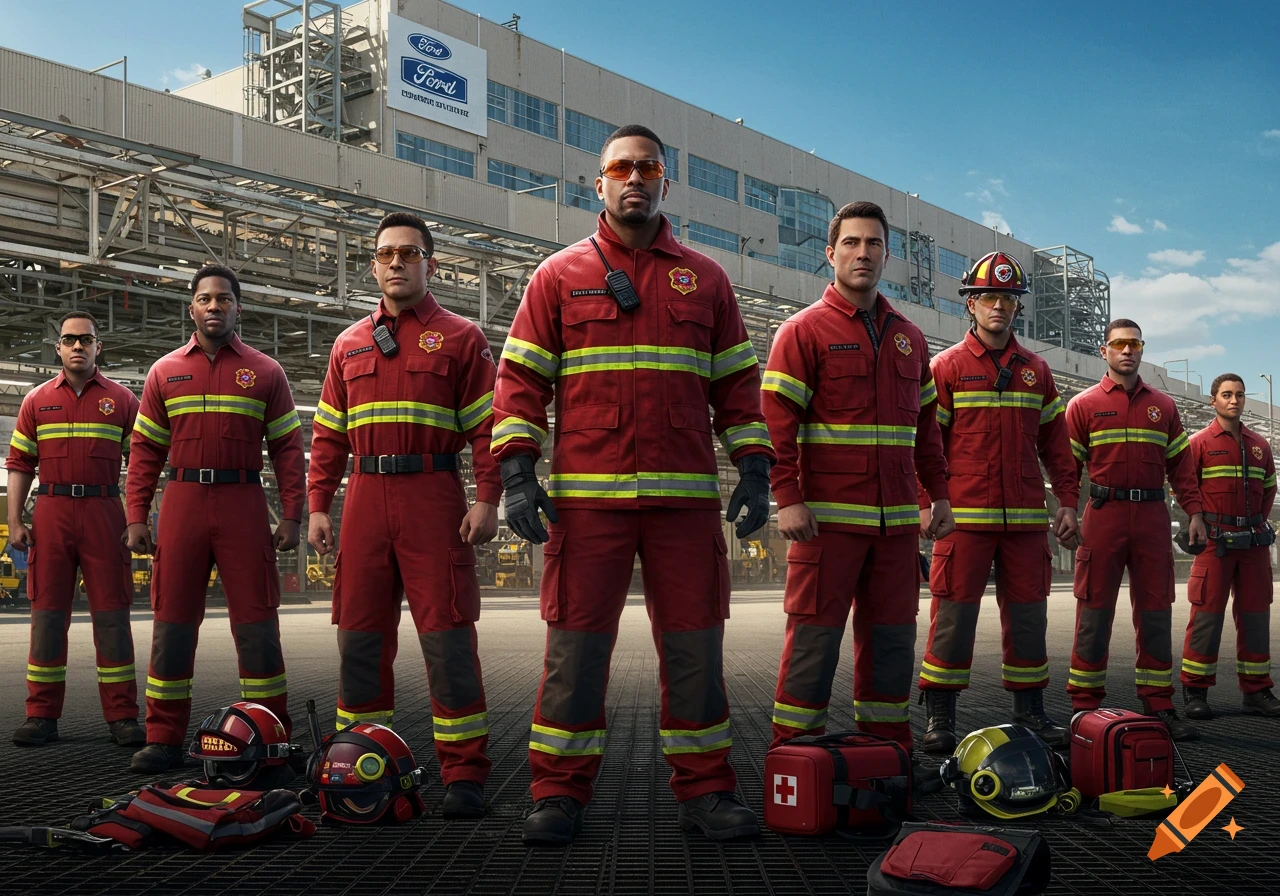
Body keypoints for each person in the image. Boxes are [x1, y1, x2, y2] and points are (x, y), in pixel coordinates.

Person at [492, 125, 774, 846]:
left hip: (683, 506)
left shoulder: (706, 279)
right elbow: (520, 381)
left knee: (695, 653)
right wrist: (518, 472)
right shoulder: (557, 276)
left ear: (664, 183)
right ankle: (557, 794)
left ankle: (707, 791)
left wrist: (754, 465)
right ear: (600, 184)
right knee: (575, 653)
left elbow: (739, 388)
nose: (634, 179)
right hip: (589, 506)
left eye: (648, 167)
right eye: (621, 168)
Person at [307, 211, 500, 819]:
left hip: (432, 498)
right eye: (386, 254)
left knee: (447, 640)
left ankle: (464, 772)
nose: (396, 262)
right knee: (359, 640)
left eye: (409, 254)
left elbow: (487, 431)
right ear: (372, 265)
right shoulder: (349, 344)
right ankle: (362, 760)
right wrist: (317, 504)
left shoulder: (462, 337)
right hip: (363, 497)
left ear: (430, 264)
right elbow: (328, 435)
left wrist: (487, 497)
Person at [762, 201, 953, 757]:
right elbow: (776, 426)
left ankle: (887, 754)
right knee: (812, 643)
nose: (862, 252)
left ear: (887, 255)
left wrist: (936, 495)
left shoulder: (910, 340)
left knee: (893, 642)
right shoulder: (803, 332)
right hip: (826, 525)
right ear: (830, 253)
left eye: (872, 244)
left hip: (896, 529)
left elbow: (925, 432)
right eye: (851, 242)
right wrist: (787, 499)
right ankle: (795, 754)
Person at [125, 264, 305, 772]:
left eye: (223, 299)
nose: (214, 306)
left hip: (243, 503)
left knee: (257, 624)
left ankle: (270, 734)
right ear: (192, 308)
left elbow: (289, 450)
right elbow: (143, 452)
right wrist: (137, 514)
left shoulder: (266, 372)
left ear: (237, 308)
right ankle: (162, 737)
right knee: (172, 623)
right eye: (205, 299)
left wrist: (293, 514)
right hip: (180, 502)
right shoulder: (164, 373)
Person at [915, 252, 1078, 753]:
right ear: (970, 304)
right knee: (953, 616)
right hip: (962, 520)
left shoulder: (1037, 371)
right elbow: (926, 443)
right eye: (988, 297)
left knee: (1029, 617)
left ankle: (1029, 710)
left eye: (1008, 299)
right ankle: (940, 714)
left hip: (1027, 521)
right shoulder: (946, 368)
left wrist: (1067, 503)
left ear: (1016, 307)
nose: (999, 307)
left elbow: (1056, 443)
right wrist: (929, 502)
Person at [1064, 319, 1205, 740]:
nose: (1127, 350)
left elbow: (1181, 468)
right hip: (1103, 515)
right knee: (1093, 611)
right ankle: (1084, 707)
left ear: (1142, 350)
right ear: (1104, 351)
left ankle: (1159, 704)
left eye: (1134, 344)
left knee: (1157, 611)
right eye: (1118, 344)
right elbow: (1066, 469)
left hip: (1152, 516)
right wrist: (1067, 510)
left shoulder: (1164, 406)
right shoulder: (1082, 405)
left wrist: (1195, 512)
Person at [7, 311, 143, 748]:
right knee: (47, 618)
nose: (78, 347)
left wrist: (139, 518)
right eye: (70, 340)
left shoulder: (123, 401)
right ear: (59, 348)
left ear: (98, 346)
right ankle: (41, 715)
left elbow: (144, 464)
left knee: (112, 618)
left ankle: (122, 717)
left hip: (105, 511)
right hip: (51, 511)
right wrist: (14, 521)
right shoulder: (36, 402)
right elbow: (19, 465)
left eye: (86, 339)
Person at [1180, 373, 1280, 718]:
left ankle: (1256, 690)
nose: (1234, 400)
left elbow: (1268, 489)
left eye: (1239, 394)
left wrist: (1252, 524)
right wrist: (1199, 520)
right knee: (1206, 617)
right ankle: (1195, 691)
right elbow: (1186, 488)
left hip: (1253, 544)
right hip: (1215, 544)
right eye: (1226, 394)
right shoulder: (1199, 443)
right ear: (1213, 401)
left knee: (1255, 616)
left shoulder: (1260, 446)